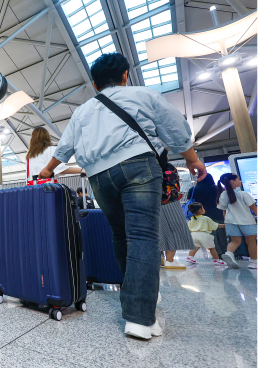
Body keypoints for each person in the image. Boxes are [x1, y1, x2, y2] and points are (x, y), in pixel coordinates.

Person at [38, 53, 206, 340]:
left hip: (99, 177)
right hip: (138, 166)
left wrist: (48, 170)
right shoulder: (142, 95)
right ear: (125, 75)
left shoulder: (82, 111)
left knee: (120, 235)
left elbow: (65, 146)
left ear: (94, 83)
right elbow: (174, 126)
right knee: (142, 237)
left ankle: (138, 297)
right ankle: (140, 317)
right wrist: (191, 159)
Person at [216, 173, 257, 269]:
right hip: (246, 221)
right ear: (232, 181)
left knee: (235, 241)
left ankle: (229, 253)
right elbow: (254, 208)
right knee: (251, 242)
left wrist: (226, 222)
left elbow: (224, 211)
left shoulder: (223, 195)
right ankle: (254, 262)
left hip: (230, 221)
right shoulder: (243, 194)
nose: (240, 181)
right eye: (238, 179)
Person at [158, 161, 194, 270]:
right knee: (175, 230)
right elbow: (173, 184)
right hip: (170, 201)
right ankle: (170, 260)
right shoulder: (167, 166)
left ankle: (160, 259)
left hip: (152, 202)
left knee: (158, 232)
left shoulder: (148, 165)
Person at [187, 174, 226, 255]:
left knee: (211, 237)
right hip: (218, 214)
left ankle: (217, 254)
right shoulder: (217, 188)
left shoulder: (193, 189)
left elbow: (189, 202)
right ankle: (225, 252)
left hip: (201, 216)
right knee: (221, 235)